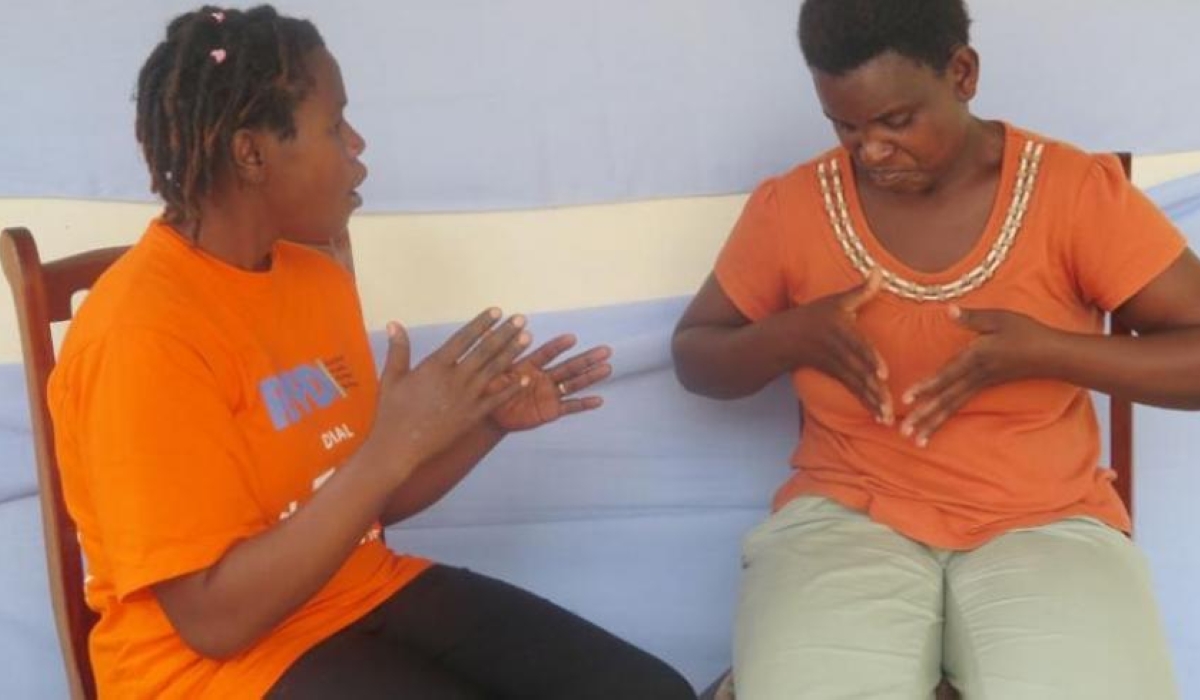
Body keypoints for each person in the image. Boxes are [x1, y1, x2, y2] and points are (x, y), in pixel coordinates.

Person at [47, 6, 696, 699]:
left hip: (354, 593)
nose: (358, 146)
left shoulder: (313, 276)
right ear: (252, 153)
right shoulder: (139, 337)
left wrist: (484, 423)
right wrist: (393, 443)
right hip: (206, 673)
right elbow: (213, 621)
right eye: (334, 125)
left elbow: (363, 496)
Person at [672, 0, 1200, 698]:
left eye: (896, 121)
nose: (871, 151)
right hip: (846, 515)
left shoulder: (1072, 192)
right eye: (844, 125)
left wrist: (1047, 352)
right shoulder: (792, 207)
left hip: (1046, 518)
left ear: (962, 72)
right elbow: (695, 355)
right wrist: (788, 336)